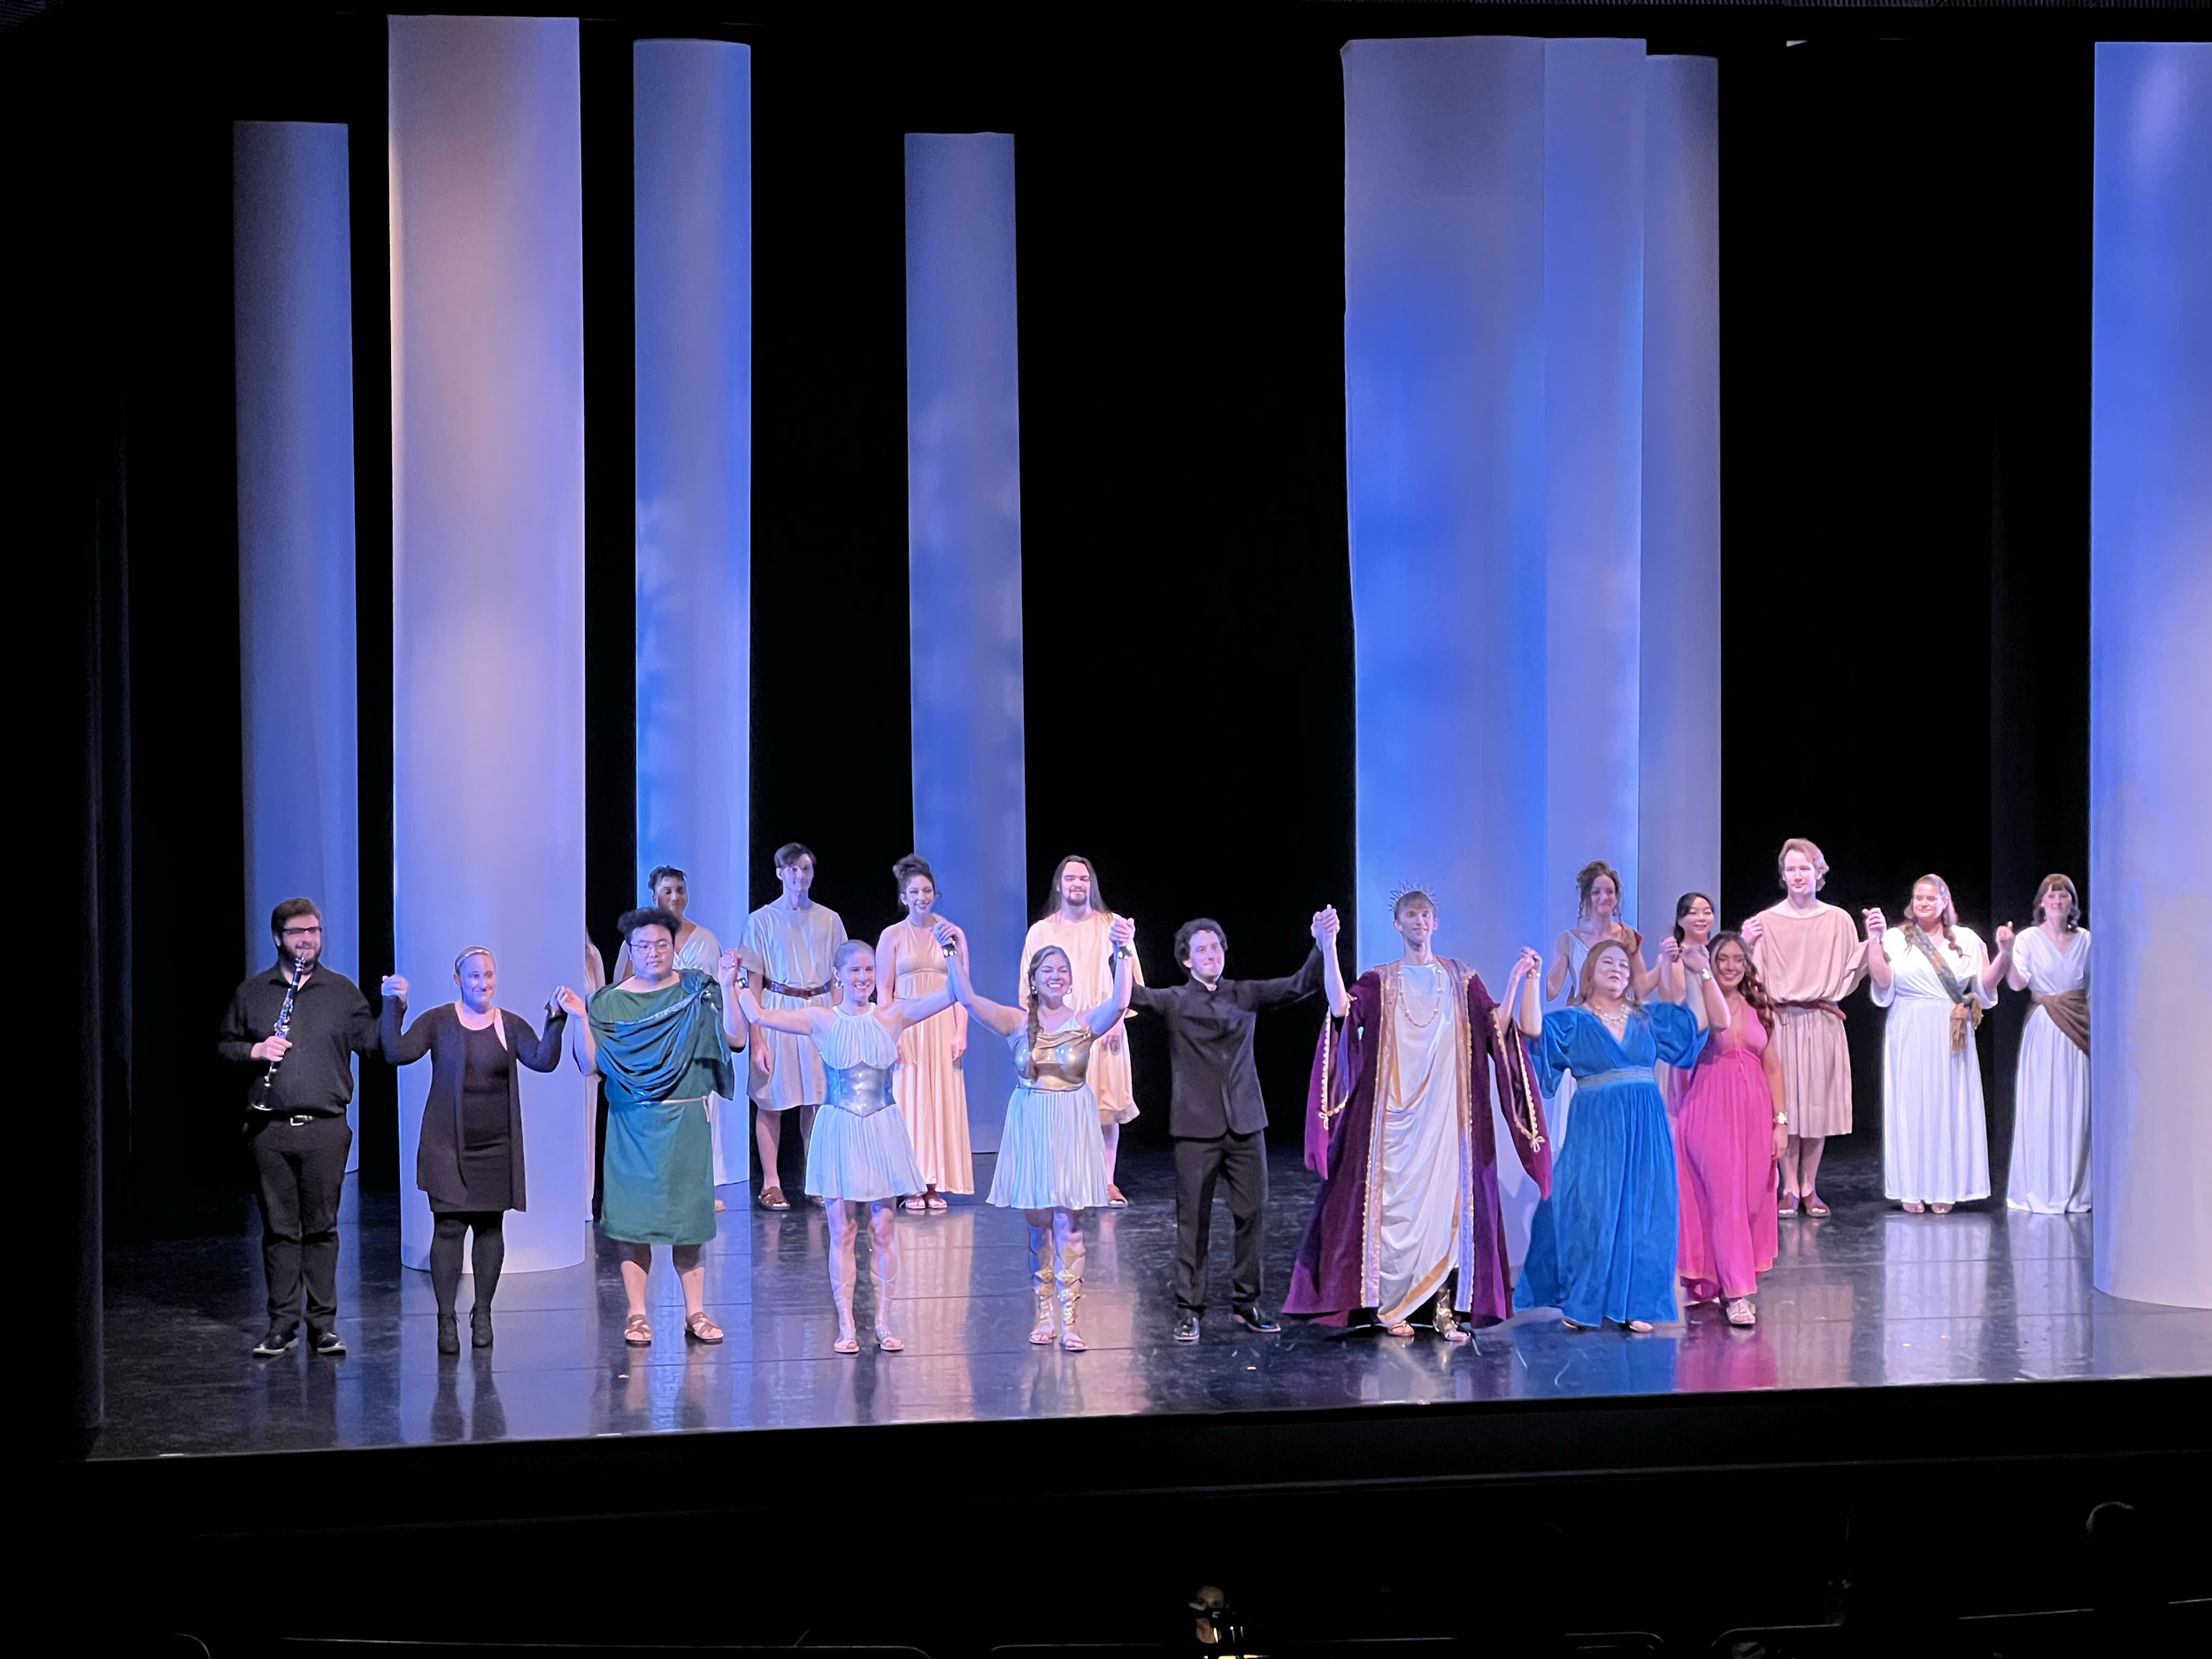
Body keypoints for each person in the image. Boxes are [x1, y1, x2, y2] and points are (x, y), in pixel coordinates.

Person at [1285, 892, 1549, 1340]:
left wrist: (1516, 981)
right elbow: (1341, 1009)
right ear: (1397, 925)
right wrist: (1329, 947)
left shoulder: (1461, 978)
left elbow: (1496, 1027)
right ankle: (1392, 1307)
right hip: (1393, 1122)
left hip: (1447, 1119)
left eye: (1426, 915)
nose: (1420, 921)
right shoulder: (1381, 980)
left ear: (1435, 923)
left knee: (1446, 1211)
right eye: (1411, 915)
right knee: (1396, 1212)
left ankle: (1444, 1310)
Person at [733, 940, 957, 1352]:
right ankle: (847, 1325)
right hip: (839, 1128)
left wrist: (951, 952)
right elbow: (760, 1014)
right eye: (854, 970)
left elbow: (952, 994)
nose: (863, 978)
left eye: (869, 969)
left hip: (882, 1128)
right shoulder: (821, 1019)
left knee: (884, 1228)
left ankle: (884, 1322)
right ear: (837, 976)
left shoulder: (892, 1015)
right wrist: (736, 980)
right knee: (843, 1230)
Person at [938, 915, 1137, 1351]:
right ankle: (1044, 1313)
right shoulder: (1015, 1021)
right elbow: (967, 999)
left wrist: (1123, 948)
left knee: (1069, 1220)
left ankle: (1071, 1320)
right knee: (1038, 1223)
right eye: (1047, 970)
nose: (1055, 975)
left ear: (1071, 981)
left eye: (1062, 970)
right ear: (1033, 979)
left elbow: (1121, 1001)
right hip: (1032, 1124)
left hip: (1071, 1124)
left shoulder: (1084, 1022)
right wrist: (951, 950)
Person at [1133, 911, 1329, 1344]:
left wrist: (1321, 943)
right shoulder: (1174, 1000)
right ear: (1187, 959)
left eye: (1216, 947)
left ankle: (1246, 1302)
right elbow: (1131, 994)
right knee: (1193, 1222)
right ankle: (1189, 1309)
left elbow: (1301, 984)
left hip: (1245, 1123)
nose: (1211, 954)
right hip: (1194, 1127)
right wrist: (1119, 949)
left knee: (1252, 1213)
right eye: (1201, 949)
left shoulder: (1244, 994)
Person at [1515, 936, 1729, 1333]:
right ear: (1590, 973)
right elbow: (1532, 1030)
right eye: (1608, 963)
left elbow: (1699, 1024)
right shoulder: (1573, 1019)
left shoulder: (1645, 1018)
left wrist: (1697, 973)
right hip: (1595, 1124)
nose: (1618, 970)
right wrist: (1533, 978)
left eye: (1624, 965)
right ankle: (1581, 1300)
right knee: (1589, 1210)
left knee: (1643, 1209)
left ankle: (1636, 1302)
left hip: (1645, 1124)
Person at [557, 906, 746, 1347]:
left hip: (685, 1124)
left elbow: (736, 1038)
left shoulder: (698, 990)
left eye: (662, 944)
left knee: (689, 1223)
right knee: (633, 1224)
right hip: (632, 1127)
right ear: (630, 950)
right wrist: (579, 1018)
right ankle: (637, 1314)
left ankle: (695, 1312)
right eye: (643, 945)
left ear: (674, 947)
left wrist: (729, 984)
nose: (653, 952)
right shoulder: (608, 1002)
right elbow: (588, 1064)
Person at [380, 947, 568, 1354]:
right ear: (458, 980)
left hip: (495, 1147)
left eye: (489, 975)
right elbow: (396, 1052)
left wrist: (556, 1018)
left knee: (489, 1228)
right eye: (474, 976)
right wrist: (394, 1004)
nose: (483, 983)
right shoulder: (438, 1021)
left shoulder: (509, 1024)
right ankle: (446, 1318)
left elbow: (542, 1060)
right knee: (448, 1229)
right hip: (447, 1145)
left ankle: (482, 1313)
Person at [217, 897, 381, 1357]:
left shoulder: (341, 992)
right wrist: (255, 1051)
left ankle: (323, 1326)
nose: (307, 939)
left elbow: (374, 1046)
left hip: (325, 1127)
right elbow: (225, 1047)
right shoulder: (253, 992)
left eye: (314, 931)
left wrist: (395, 1007)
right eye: (297, 932)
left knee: (322, 1229)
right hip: (269, 1129)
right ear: (278, 938)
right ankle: (282, 1325)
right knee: (280, 1231)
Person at [1741, 837, 1869, 1219]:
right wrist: (1746, 945)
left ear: (1819, 872)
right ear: (1783, 875)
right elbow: (1747, 975)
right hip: (1780, 1021)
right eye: (1791, 869)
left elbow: (1852, 968)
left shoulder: (1838, 920)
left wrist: (1876, 939)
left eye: (1805, 868)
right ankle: (1789, 1187)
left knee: (1816, 1106)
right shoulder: (1765, 922)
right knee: (1784, 1106)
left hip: (1821, 1020)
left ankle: (1809, 1185)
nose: (1798, 876)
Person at [1866, 874, 2007, 1215]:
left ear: (1945, 901)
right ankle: (1910, 1185)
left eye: (1931, 898)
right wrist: (1873, 940)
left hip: (1949, 1028)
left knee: (1948, 1103)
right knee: (1911, 1104)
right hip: (1909, 1024)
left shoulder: (1967, 939)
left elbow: (1985, 988)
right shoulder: (1897, 938)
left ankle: (1947, 1185)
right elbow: (1883, 983)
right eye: (1918, 898)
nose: (1924, 903)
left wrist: (2004, 954)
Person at [1672, 931, 1786, 1327]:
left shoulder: (1759, 1007)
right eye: (1723, 958)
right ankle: (1738, 1294)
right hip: (1709, 1110)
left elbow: (1773, 1067)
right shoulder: (1699, 1003)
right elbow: (1681, 1059)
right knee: (1726, 1201)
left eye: (1738, 959)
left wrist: (1780, 1123)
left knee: (1750, 1201)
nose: (1731, 966)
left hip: (1755, 1115)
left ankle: (1717, 1280)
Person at [1020, 855, 1143, 1205]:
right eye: (1071, 878)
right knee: (1059, 1103)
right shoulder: (1042, 931)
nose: (1077, 884)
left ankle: (1106, 1181)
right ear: (1059, 885)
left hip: (1103, 1026)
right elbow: (1027, 985)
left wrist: (1118, 1019)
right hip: (1057, 1030)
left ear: (1092, 885)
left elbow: (1131, 978)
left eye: (1084, 878)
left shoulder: (1111, 924)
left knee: (1105, 1107)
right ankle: (1061, 1180)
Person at [612, 866, 733, 1209]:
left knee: (700, 1115)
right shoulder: (639, 938)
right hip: (655, 1042)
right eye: (667, 891)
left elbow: (716, 994)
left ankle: (701, 1188)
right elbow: (622, 990)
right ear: (654, 897)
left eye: (680, 889)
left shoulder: (705, 940)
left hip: (696, 1040)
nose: (675, 897)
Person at [740, 843, 846, 1210]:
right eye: (792, 869)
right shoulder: (760, 920)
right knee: (771, 1100)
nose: (799, 876)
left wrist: (840, 1022)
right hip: (777, 1010)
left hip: (819, 1009)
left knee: (817, 1100)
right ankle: (771, 1182)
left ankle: (814, 1178)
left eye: (805, 869)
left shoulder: (829, 919)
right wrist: (756, 1039)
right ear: (780, 873)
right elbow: (752, 982)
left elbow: (839, 975)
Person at [874, 855, 972, 1210]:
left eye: (927, 890)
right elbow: (883, 991)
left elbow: (962, 988)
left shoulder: (951, 932)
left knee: (940, 1101)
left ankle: (933, 1184)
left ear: (935, 893)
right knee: (909, 1101)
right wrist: (891, 1033)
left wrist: (961, 1032)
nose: (921, 897)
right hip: (907, 1027)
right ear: (904, 897)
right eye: (914, 891)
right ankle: (910, 1184)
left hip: (942, 1025)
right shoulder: (892, 936)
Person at [1541, 860, 1651, 1151]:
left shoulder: (1628, 937)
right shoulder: (1569, 940)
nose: (1604, 897)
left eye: (1610, 892)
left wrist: (1668, 963)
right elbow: (1552, 990)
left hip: (1619, 1029)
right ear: (1587, 897)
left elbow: (1640, 986)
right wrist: (1531, 974)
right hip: (1584, 1030)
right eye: (1597, 892)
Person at [2003, 874, 2090, 1214]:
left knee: (2076, 1106)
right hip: (2044, 1027)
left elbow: (2095, 987)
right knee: (2041, 1106)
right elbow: (2016, 983)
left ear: (2072, 903)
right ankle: (2039, 1187)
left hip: (2078, 1027)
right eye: (2051, 896)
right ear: (2041, 902)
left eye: (2063, 896)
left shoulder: (2087, 940)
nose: (2057, 901)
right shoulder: (2027, 939)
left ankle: (2074, 1189)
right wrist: (2006, 951)